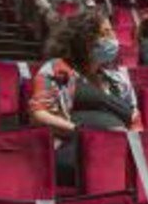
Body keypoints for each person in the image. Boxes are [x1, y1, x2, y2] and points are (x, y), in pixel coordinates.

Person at [29, 10, 140, 186]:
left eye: (111, 32)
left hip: (120, 155)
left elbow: (135, 120)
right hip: (75, 153)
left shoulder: (118, 79)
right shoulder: (58, 70)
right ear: (84, 40)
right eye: (104, 33)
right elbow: (39, 116)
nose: (113, 38)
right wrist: (85, 133)